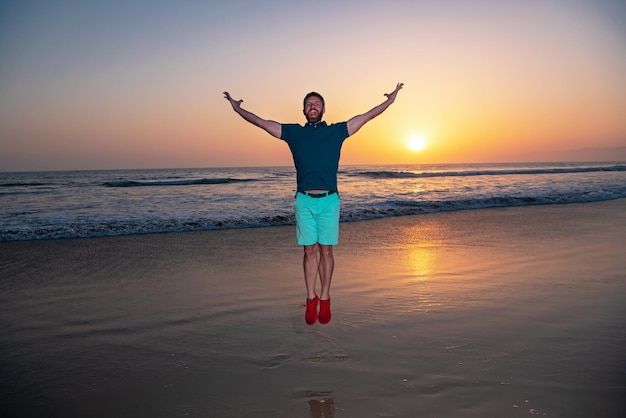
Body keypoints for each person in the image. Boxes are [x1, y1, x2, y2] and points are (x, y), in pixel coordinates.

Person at [223, 83, 403, 325]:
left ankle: (325, 298)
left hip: (329, 200)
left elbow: (368, 115)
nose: (313, 106)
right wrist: (237, 110)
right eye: (309, 104)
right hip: (304, 200)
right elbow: (262, 122)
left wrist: (390, 101)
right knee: (309, 250)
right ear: (304, 110)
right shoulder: (294, 133)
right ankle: (311, 298)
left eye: (317, 103)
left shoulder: (338, 131)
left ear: (324, 109)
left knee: (326, 250)